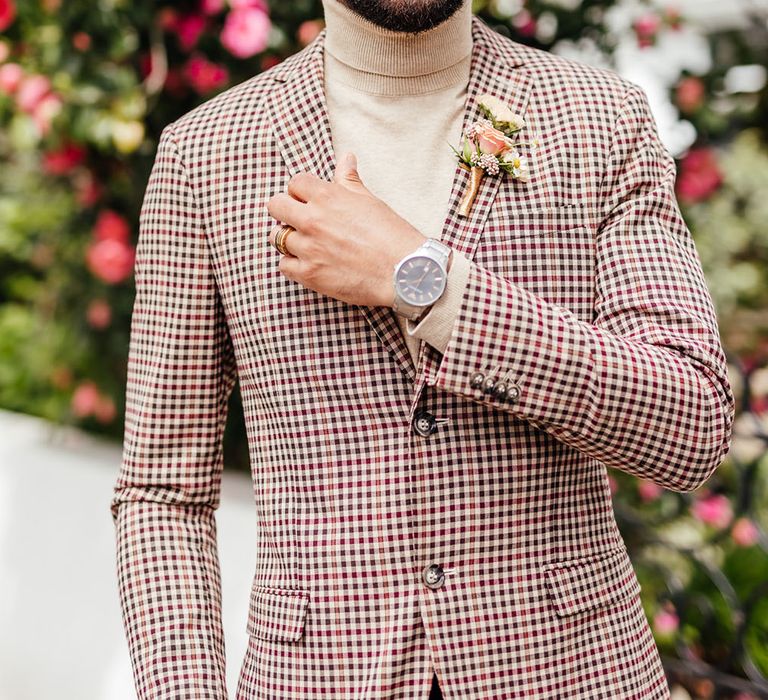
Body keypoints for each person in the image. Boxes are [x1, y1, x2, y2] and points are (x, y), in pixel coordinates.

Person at [110, 1, 736, 698]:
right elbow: (164, 493)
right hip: (315, 679)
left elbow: (691, 423)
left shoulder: (600, 117)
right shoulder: (205, 155)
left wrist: (426, 281)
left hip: (573, 674)